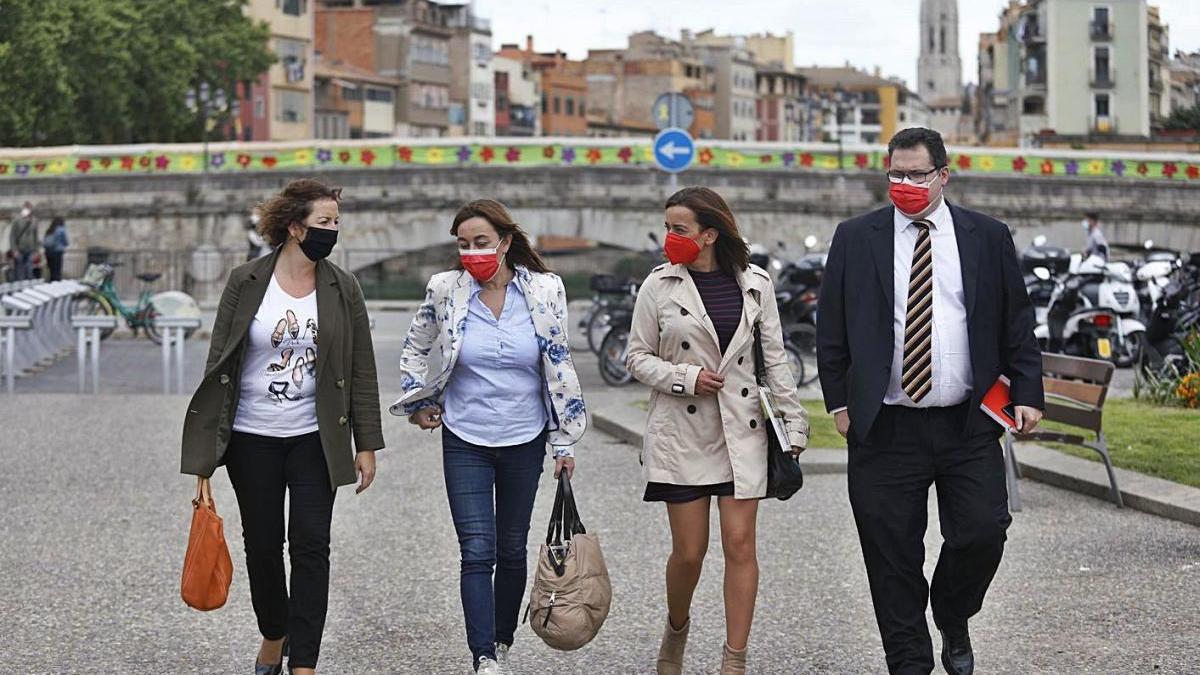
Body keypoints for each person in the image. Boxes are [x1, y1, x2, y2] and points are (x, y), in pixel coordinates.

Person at [816, 127, 1045, 675]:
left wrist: (1028, 392)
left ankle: (953, 612)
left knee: (983, 531)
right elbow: (832, 328)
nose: (905, 183)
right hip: (885, 427)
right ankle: (910, 662)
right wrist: (840, 406)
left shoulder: (987, 236)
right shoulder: (856, 236)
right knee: (891, 554)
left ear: (944, 174)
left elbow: (1016, 320)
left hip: (967, 425)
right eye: (895, 173)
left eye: (917, 173)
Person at [180, 179, 384, 675]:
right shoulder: (246, 281)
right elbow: (219, 365)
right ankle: (275, 632)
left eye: (336, 222)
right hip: (253, 438)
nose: (332, 231)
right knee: (264, 546)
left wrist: (367, 443)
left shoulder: (343, 287)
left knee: (312, 545)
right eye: (323, 222)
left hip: (315, 438)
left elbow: (361, 367)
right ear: (295, 228)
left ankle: (304, 664)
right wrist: (207, 452)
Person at [392, 199, 586, 675]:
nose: (472, 252)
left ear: (505, 242)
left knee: (511, 548)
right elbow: (415, 347)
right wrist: (418, 403)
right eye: (463, 244)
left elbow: (558, 366)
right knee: (477, 549)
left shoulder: (545, 290)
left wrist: (563, 441)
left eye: (481, 243)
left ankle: (501, 639)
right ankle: (483, 656)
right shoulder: (445, 289)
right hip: (464, 436)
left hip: (524, 437)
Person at [626, 186, 809, 675]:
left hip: (742, 428)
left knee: (741, 544)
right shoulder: (658, 286)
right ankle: (677, 626)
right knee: (689, 553)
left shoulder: (756, 285)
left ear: (709, 234)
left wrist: (793, 422)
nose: (670, 237)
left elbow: (775, 361)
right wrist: (684, 378)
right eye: (667, 227)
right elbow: (636, 357)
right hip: (681, 434)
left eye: (679, 229)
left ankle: (734, 660)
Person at [8, 202, 37, 281]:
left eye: (29, 208)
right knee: (19, 272)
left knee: (29, 271)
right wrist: (14, 250)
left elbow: (35, 236)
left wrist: (36, 250)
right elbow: (12, 236)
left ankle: (28, 289)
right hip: (19, 249)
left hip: (30, 249)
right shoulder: (17, 220)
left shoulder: (34, 220)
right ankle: (20, 289)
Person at [42, 216, 69, 282]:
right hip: (58, 252)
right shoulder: (61, 230)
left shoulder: (50, 230)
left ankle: (51, 282)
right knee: (57, 270)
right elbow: (66, 242)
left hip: (48, 252)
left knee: (51, 270)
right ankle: (56, 284)